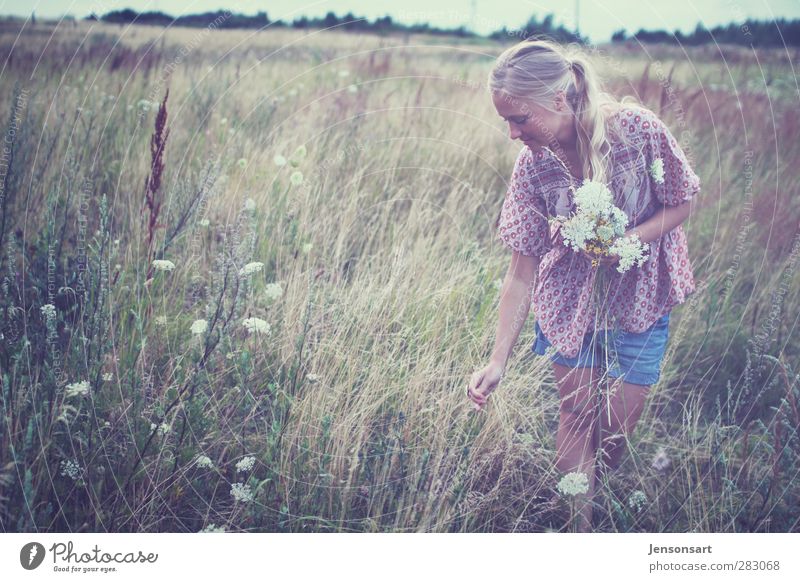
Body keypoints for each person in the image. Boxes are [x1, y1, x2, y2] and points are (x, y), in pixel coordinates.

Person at [466, 39, 701, 532]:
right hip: (570, 300)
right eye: (505, 121)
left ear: (557, 99)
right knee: (574, 414)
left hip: (640, 296)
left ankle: (600, 484)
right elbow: (520, 271)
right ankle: (581, 531)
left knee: (615, 428)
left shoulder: (636, 131)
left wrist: (629, 240)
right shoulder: (533, 164)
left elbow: (682, 201)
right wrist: (498, 360)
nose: (511, 133)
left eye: (519, 119)